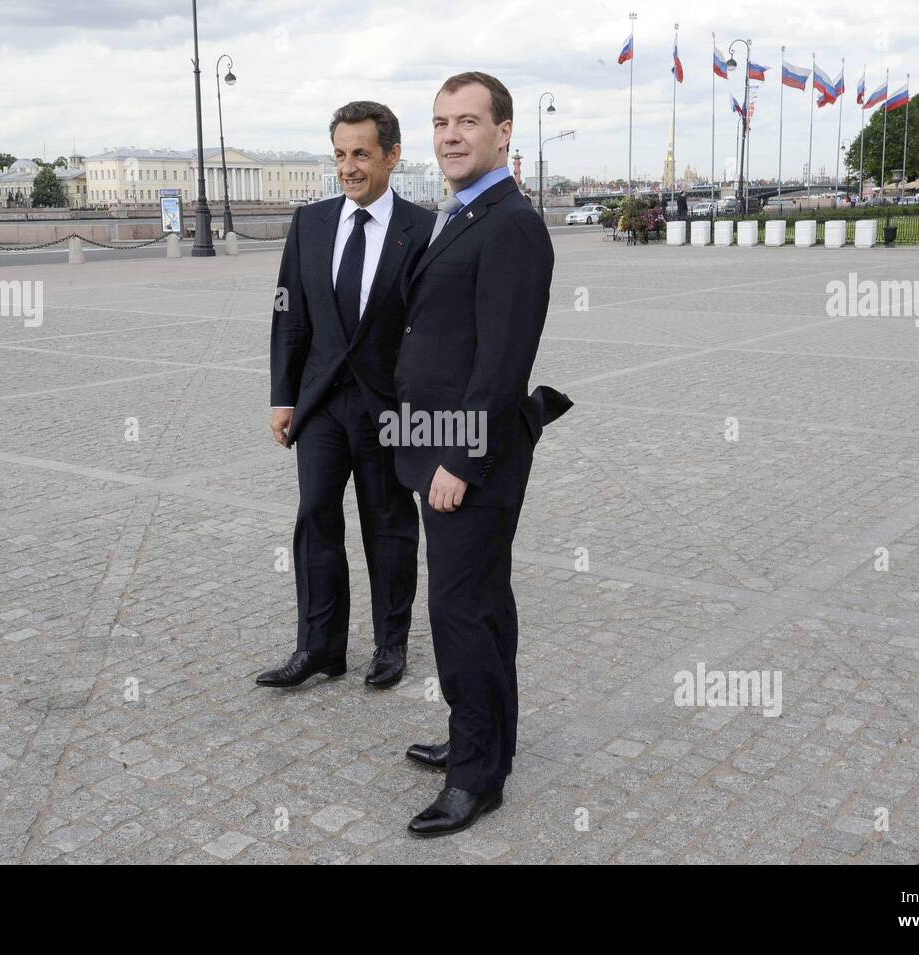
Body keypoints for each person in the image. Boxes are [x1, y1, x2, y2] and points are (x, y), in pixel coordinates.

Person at [393, 72, 571, 837]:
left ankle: (475, 779)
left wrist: (459, 462)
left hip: (471, 457)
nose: (451, 135)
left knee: (460, 610)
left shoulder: (511, 223)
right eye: (440, 123)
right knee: (484, 604)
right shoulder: (464, 212)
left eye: (468, 121)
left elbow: (503, 361)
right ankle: (487, 740)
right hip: (433, 445)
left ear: (504, 134)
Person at [260, 101, 434, 690]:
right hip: (322, 406)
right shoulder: (309, 224)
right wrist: (283, 397)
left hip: (389, 410)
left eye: (361, 153)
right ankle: (320, 647)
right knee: (315, 520)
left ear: (391, 155)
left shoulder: (424, 228)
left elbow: (433, 333)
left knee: (388, 524)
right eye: (340, 154)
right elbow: (289, 316)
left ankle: (391, 645)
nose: (348, 167)